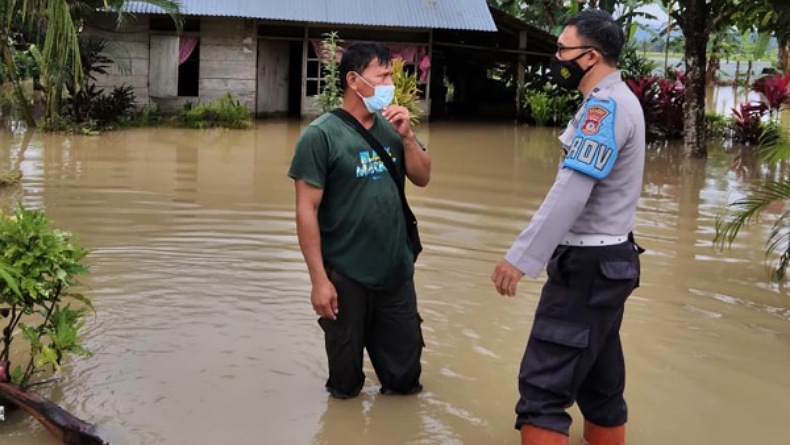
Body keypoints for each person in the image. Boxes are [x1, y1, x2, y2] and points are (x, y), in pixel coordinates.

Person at [490, 9, 645, 445]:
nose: (555, 56)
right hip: (612, 263)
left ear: (591, 56)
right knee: (601, 385)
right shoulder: (621, 101)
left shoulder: (604, 109)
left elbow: (572, 192)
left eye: (563, 49)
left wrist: (521, 258)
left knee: (542, 391)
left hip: (588, 267)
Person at [288, 42, 431, 399]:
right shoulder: (320, 136)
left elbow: (423, 177)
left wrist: (409, 137)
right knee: (345, 386)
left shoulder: (393, 128)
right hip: (346, 276)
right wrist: (319, 281)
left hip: (396, 273)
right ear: (354, 80)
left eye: (390, 77)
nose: (389, 85)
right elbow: (306, 211)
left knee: (404, 381)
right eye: (382, 76)